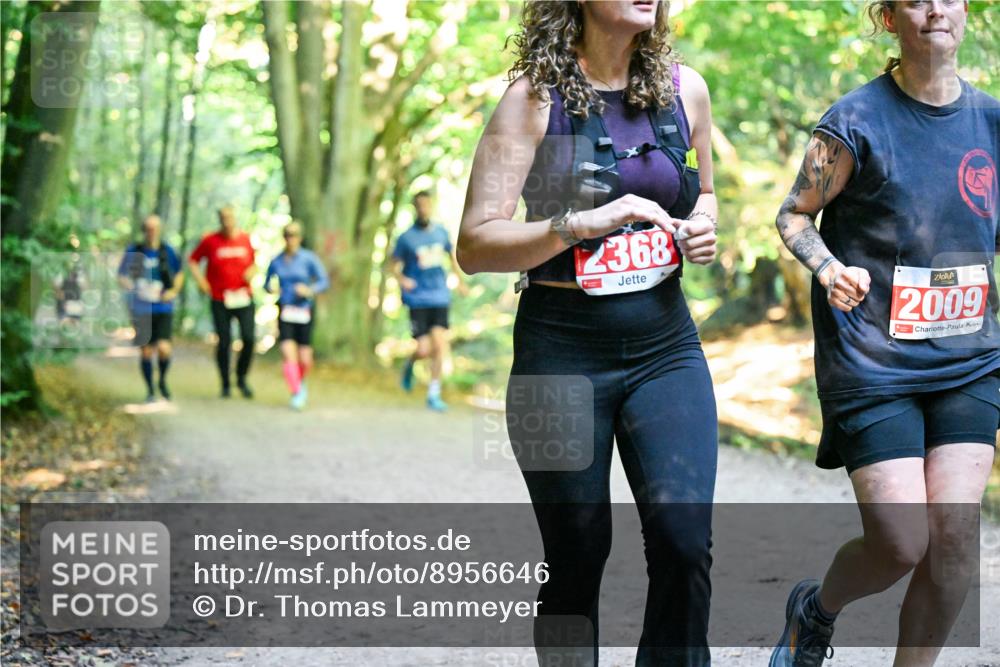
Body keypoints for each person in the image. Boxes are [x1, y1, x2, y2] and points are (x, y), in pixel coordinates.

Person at [458, 1, 719, 664]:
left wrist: (703, 229)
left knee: (684, 539)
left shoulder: (683, 89)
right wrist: (574, 225)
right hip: (560, 350)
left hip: (665, 344)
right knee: (576, 551)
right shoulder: (533, 101)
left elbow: (705, 192)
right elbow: (475, 243)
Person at [770, 2, 999, 665]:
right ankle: (816, 609)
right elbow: (792, 217)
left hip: (968, 358)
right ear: (889, 17)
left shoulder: (991, 121)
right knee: (901, 541)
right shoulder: (853, 122)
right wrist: (829, 265)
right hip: (873, 360)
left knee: (953, 536)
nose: (936, 9)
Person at [392, 190, 463, 412]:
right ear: (414, 208)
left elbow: (452, 257)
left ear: (431, 206)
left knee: (440, 345)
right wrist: (403, 279)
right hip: (418, 299)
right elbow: (393, 265)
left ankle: (434, 393)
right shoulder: (406, 238)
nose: (423, 209)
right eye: (419, 205)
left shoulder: (441, 233)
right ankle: (410, 363)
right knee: (423, 349)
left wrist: (460, 281)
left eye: (426, 205)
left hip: (440, 296)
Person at [189, 206, 257, 398]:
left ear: (235, 217)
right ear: (219, 219)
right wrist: (202, 282)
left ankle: (241, 378)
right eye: (223, 217)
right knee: (224, 341)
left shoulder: (245, 239)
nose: (227, 220)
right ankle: (225, 383)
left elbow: (254, 261)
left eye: (230, 216)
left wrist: (253, 271)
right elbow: (193, 260)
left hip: (244, 297)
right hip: (220, 298)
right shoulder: (210, 241)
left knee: (249, 338)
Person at [117, 214, 184, 402]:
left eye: (155, 228)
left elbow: (179, 274)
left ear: (159, 230)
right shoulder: (134, 251)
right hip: (141, 308)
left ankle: (162, 380)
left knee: (164, 348)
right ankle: (150, 390)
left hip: (163, 308)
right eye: (148, 228)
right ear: (143, 230)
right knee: (146, 351)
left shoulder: (167, 251)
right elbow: (122, 275)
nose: (151, 231)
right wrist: (131, 286)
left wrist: (173, 291)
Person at [264, 221, 329, 410]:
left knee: (305, 359)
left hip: (304, 311)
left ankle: (299, 382)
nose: (290, 238)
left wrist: (309, 290)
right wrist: (270, 288)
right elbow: (267, 284)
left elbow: (324, 280)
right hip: (285, 310)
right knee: (287, 353)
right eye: (287, 235)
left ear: (299, 237)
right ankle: (296, 392)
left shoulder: (309, 259)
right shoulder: (276, 261)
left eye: (293, 235)